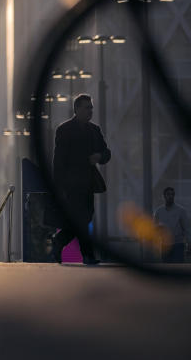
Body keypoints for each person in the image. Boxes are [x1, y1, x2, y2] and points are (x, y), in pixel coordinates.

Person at [50, 94, 111, 265]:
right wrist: (58, 186)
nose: (90, 111)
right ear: (76, 109)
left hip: (88, 183)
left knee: (85, 217)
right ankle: (88, 255)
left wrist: (99, 156)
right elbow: (59, 160)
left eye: (91, 107)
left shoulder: (94, 130)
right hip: (71, 183)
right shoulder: (65, 129)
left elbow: (106, 153)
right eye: (86, 107)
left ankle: (59, 240)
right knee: (82, 219)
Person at [153, 186, 189, 263]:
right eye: (168, 194)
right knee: (166, 269)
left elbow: (186, 229)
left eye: (172, 194)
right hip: (165, 245)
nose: (171, 196)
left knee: (178, 269)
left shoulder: (181, 211)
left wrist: (189, 243)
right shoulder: (158, 211)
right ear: (164, 196)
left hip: (178, 244)